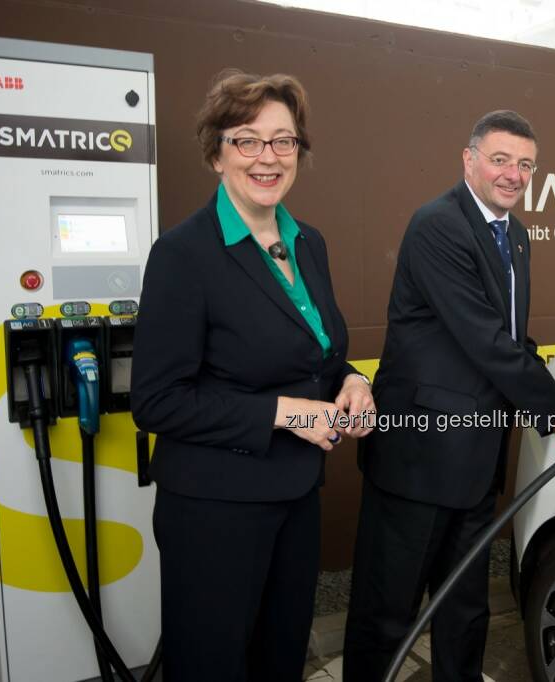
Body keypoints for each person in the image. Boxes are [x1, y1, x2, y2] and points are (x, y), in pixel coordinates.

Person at [131, 69, 375, 682]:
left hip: (294, 496)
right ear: (217, 153)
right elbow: (157, 401)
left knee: (280, 658)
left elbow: (314, 351)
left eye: (283, 140)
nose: (267, 157)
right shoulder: (184, 255)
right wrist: (286, 411)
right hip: (214, 508)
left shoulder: (308, 243)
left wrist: (350, 380)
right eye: (247, 139)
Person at [343, 110, 555, 680]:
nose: (513, 174)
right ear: (469, 159)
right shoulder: (438, 225)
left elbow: (509, 336)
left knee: (464, 606)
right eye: (500, 159)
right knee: (388, 612)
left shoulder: (517, 236)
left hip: (479, 457)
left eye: (525, 164)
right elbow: (481, 336)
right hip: (419, 458)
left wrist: (543, 402)